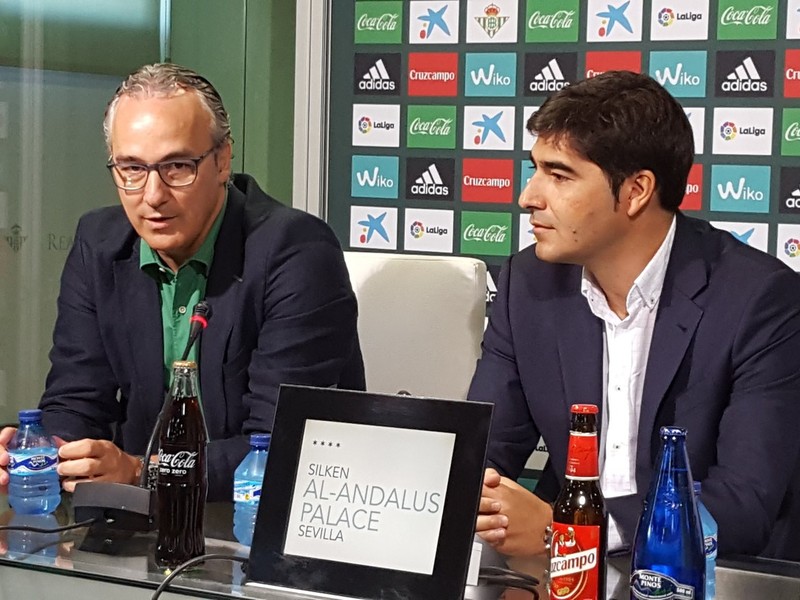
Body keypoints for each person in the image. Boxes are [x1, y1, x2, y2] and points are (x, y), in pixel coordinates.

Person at [469, 70, 800, 561]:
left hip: (705, 577)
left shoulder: (760, 299)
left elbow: (742, 506)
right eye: (534, 169)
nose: (529, 197)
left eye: (559, 176)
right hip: (567, 578)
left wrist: (571, 531)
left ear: (637, 190)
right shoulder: (527, 284)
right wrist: (480, 501)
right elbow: (483, 455)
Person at [0, 63, 365, 501]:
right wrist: (44, 451)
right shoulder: (99, 244)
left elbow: (283, 443)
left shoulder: (297, 250)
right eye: (131, 168)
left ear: (223, 160)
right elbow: (76, 400)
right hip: (138, 524)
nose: (153, 195)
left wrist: (143, 472)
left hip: (256, 517)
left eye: (177, 167)